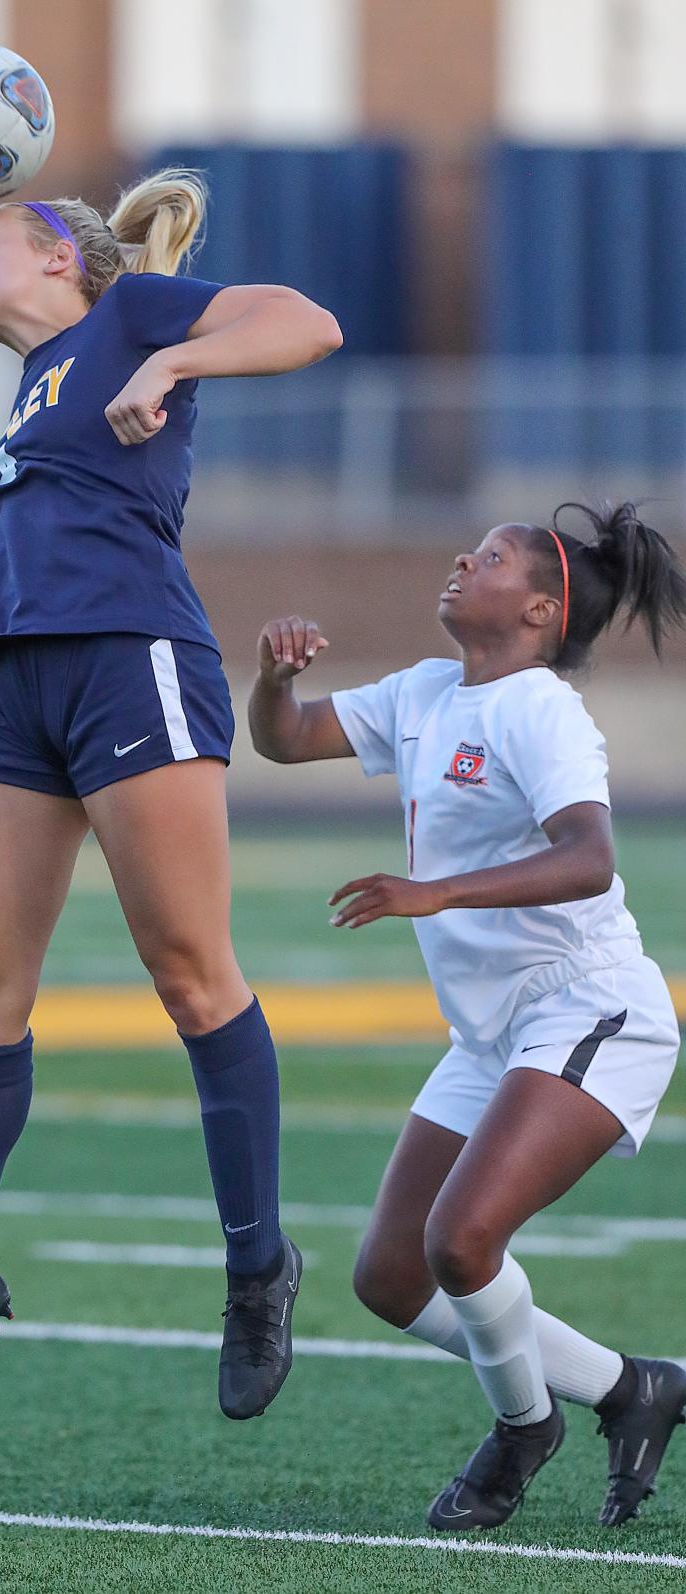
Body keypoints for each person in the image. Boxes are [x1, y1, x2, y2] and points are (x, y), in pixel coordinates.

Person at [0, 169, 341, 1430]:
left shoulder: (128, 322)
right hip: (17, 686)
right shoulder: (27, 389)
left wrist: (174, 365)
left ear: (65, 264)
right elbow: (83, 502)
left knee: (191, 971)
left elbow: (306, 320)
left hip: (129, 658)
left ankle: (258, 1269)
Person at [248, 502, 686, 1530]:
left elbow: (590, 857)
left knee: (461, 1239)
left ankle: (524, 1429)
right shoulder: (427, 690)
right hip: (494, 1034)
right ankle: (634, 1389)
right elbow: (285, 740)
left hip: (590, 1007)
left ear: (539, 608)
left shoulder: (539, 707)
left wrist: (437, 891)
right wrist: (274, 679)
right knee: (392, 1272)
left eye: (488, 557)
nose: (461, 558)